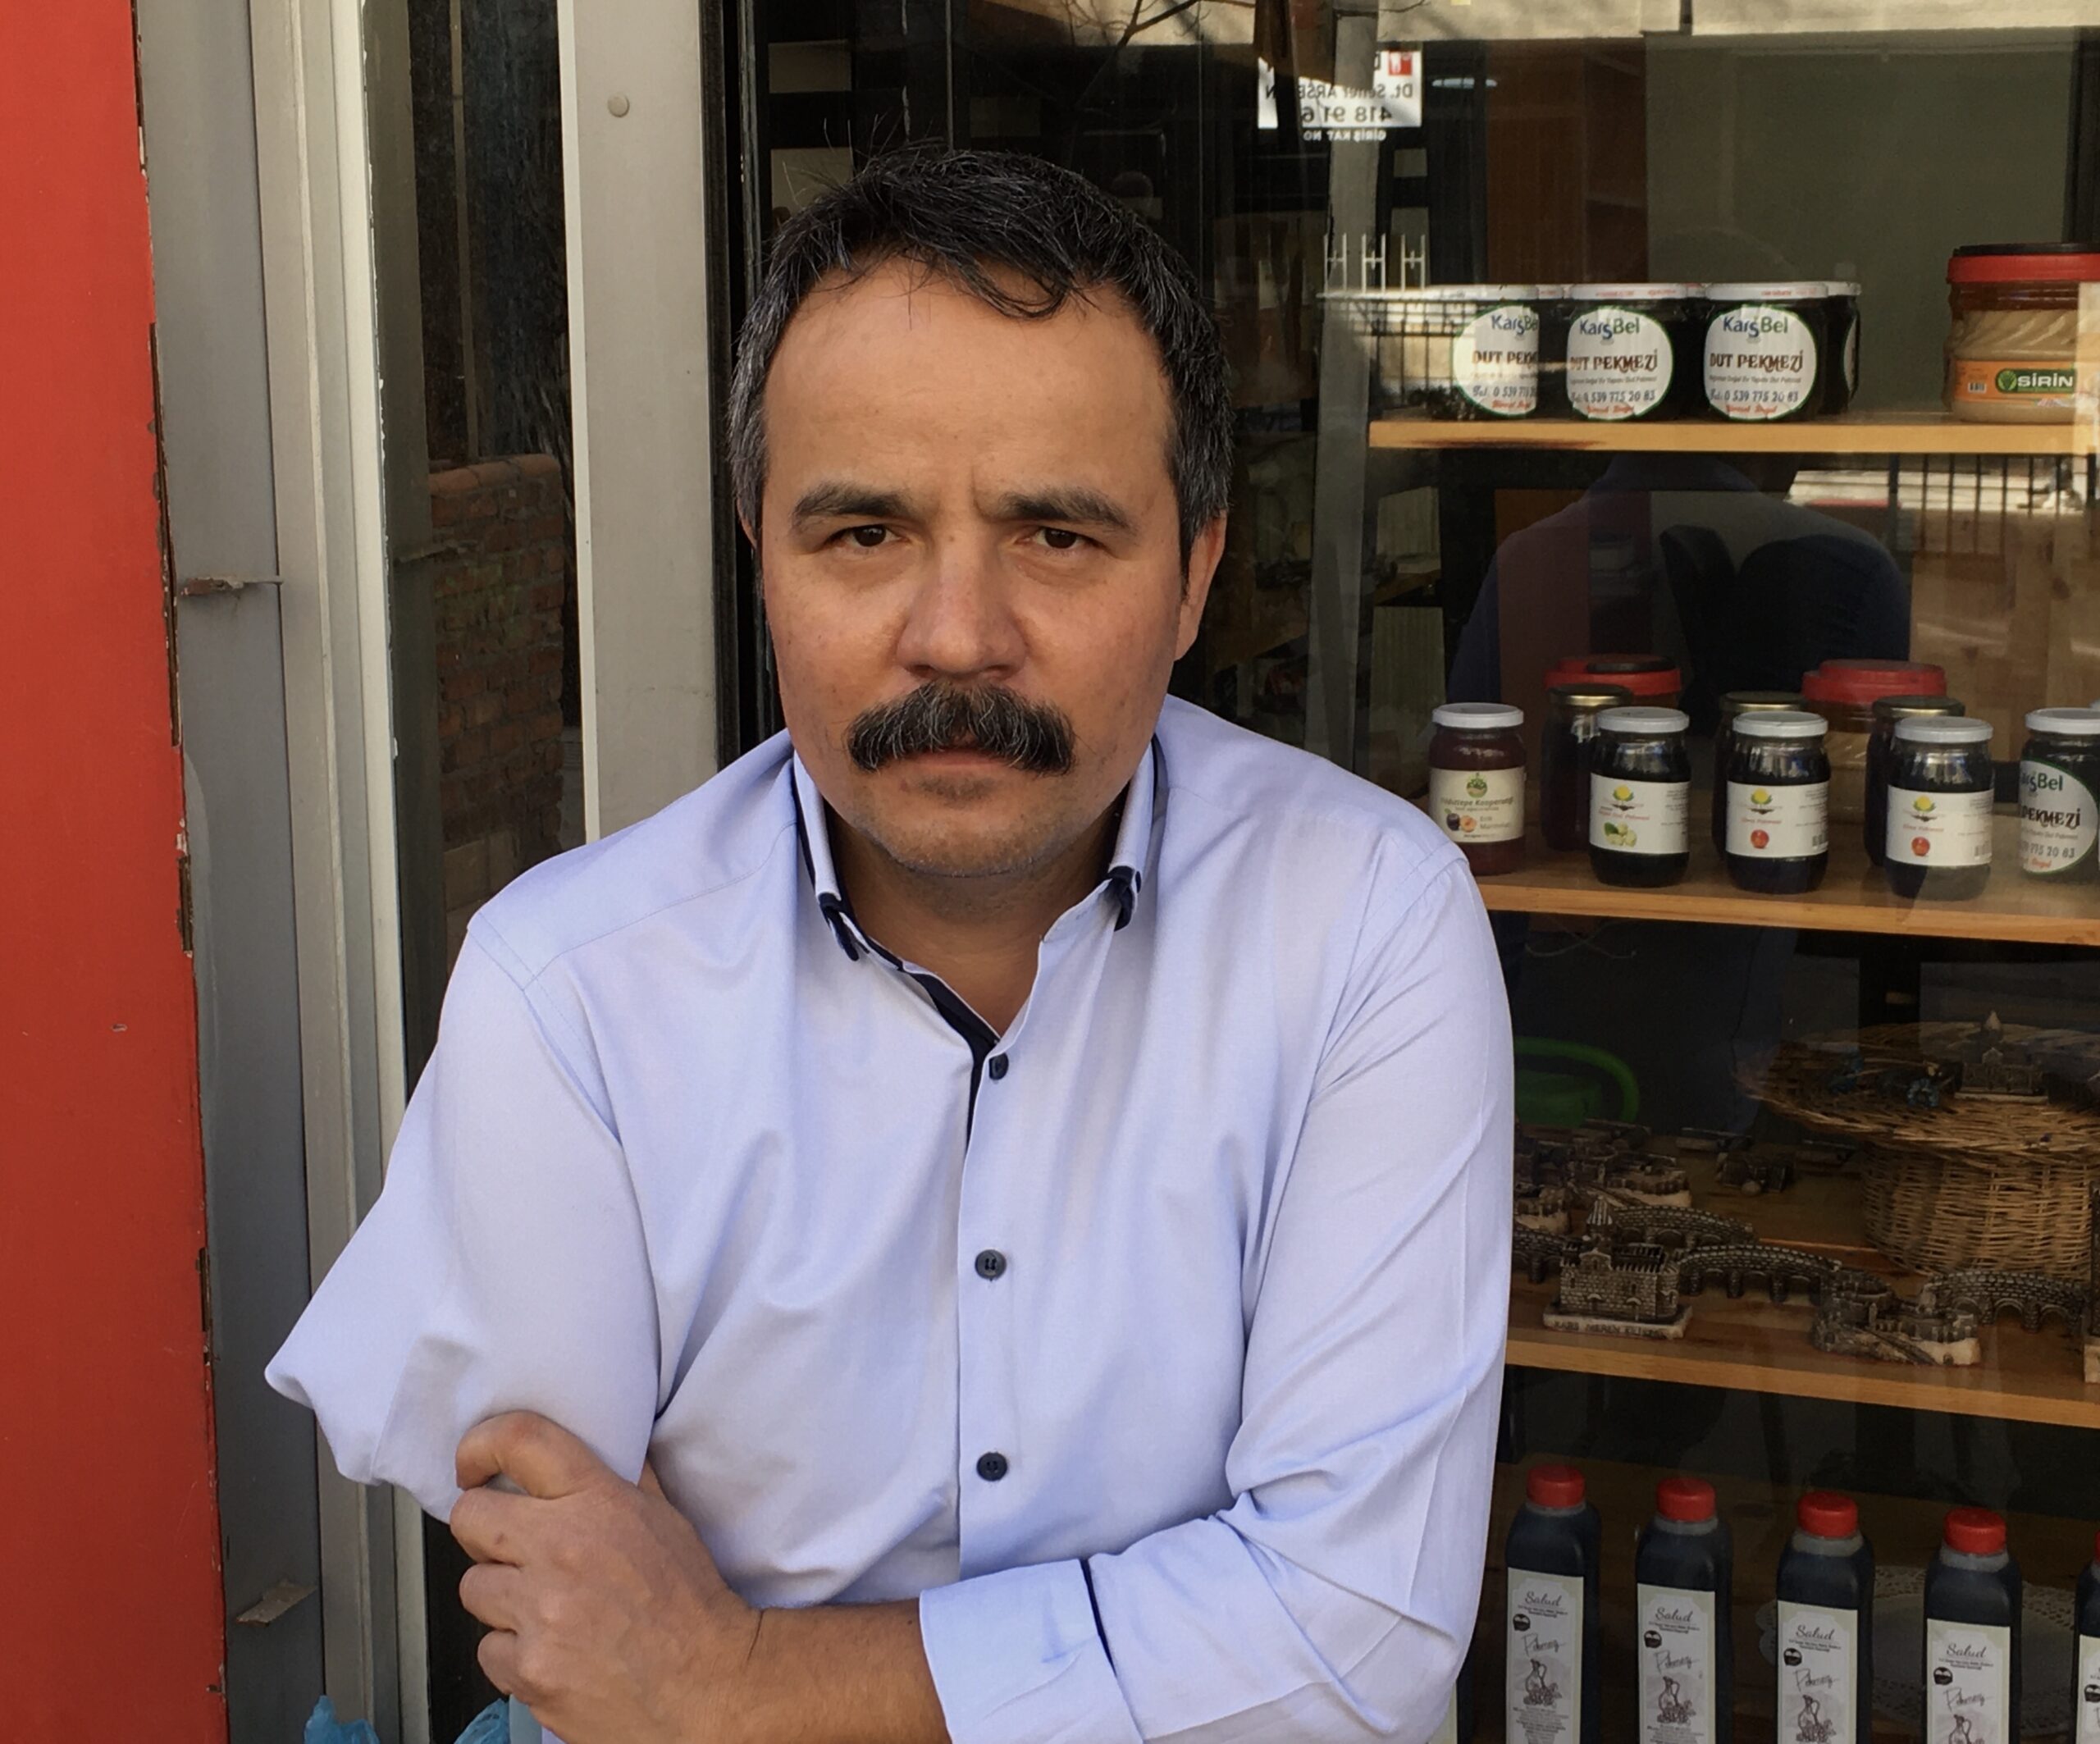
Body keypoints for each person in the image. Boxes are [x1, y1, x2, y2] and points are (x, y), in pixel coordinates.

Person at [269, 148, 1512, 1744]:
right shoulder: (574, 992)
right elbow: (589, 1645)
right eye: (863, 533)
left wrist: (739, 1679)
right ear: (759, 552)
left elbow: (1356, 1636)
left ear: (1198, 570)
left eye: (1056, 535)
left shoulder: (1364, 924)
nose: (956, 635)